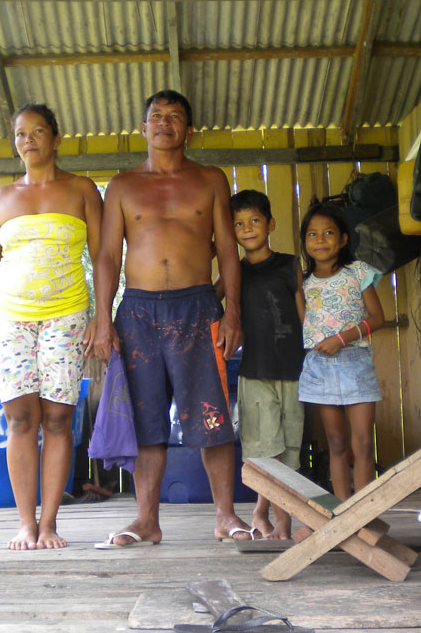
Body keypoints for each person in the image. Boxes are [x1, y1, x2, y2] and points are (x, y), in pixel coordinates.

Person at [92, 89, 254, 548]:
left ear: (189, 129)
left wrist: (233, 310)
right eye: (156, 116)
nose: (165, 123)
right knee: (145, 420)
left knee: (212, 416)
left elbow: (227, 249)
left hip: (199, 307)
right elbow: (106, 255)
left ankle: (225, 516)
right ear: (143, 129)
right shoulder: (122, 185)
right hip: (137, 311)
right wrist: (102, 319)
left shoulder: (210, 179)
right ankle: (146, 520)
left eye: (175, 116)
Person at [0, 103, 103, 550]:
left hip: (67, 314)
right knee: (20, 417)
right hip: (9, 318)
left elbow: (103, 257)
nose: (28, 139)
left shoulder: (82, 189)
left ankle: (50, 523)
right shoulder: (1, 197)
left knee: (59, 418)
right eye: (21, 133)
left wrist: (103, 315)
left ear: (56, 139)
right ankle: (26, 523)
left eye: (38, 131)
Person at [228, 189, 305, 540]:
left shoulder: (290, 265)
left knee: (288, 451)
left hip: (293, 370)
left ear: (271, 224)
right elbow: (216, 306)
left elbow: (305, 316)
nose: (247, 229)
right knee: (262, 450)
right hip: (255, 371)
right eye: (239, 224)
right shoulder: (233, 274)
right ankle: (274, 521)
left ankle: (267, 515)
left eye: (255, 220)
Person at [298, 200, 385, 501]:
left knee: (362, 442)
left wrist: (342, 338)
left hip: (355, 362)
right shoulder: (302, 282)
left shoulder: (357, 272)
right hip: (320, 367)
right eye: (312, 234)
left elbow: (378, 317)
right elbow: (305, 326)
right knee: (336, 443)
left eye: (328, 233)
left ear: (344, 239)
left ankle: (363, 512)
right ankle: (343, 512)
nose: (320, 240)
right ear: (304, 241)